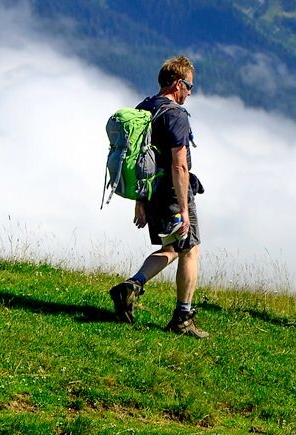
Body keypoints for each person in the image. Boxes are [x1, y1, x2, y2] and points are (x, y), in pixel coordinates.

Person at [107, 55, 210, 338]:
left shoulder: (145, 108)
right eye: (189, 86)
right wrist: (185, 211)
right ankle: (182, 318)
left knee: (173, 249)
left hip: (151, 193)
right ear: (178, 84)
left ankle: (132, 286)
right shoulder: (176, 114)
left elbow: (140, 159)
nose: (189, 92)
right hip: (172, 195)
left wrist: (141, 200)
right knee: (190, 249)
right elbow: (179, 165)